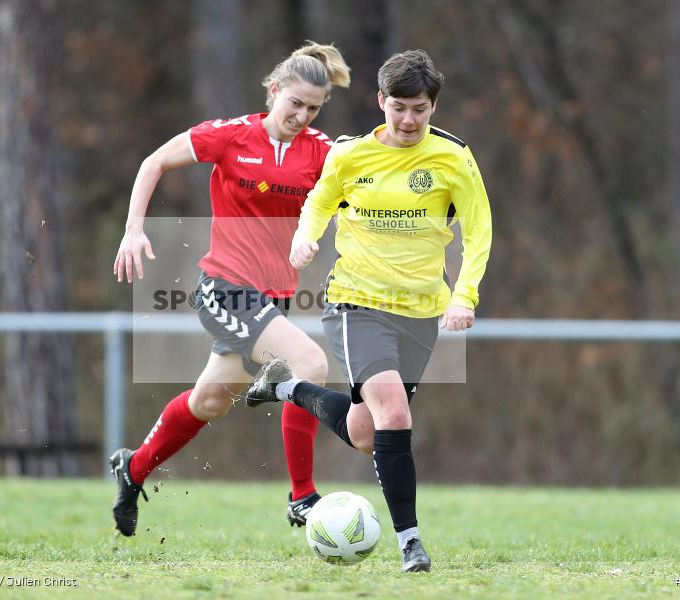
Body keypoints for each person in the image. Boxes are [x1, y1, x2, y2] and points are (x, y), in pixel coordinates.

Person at [244, 49, 492, 573]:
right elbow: (319, 201)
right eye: (398, 107)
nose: (408, 120)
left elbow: (479, 229)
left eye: (420, 109)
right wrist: (304, 240)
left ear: (433, 107)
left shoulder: (453, 158)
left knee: (365, 433)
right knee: (396, 414)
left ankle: (286, 386)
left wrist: (465, 295)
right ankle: (411, 542)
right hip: (357, 302)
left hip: (422, 310)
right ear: (380, 101)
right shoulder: (350, 155)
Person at [109, 42, 351, 537]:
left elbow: (358, 192)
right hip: (225, 290)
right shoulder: (230, 136)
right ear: (274, 90)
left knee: (209, 403)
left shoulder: (323, 152)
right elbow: (154, 162)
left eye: (313, 108)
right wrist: (134, 228)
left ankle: (132, 469)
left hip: (272, 300)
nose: (302, 115)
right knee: (309, 363)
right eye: (295, 104)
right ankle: (302, 496)